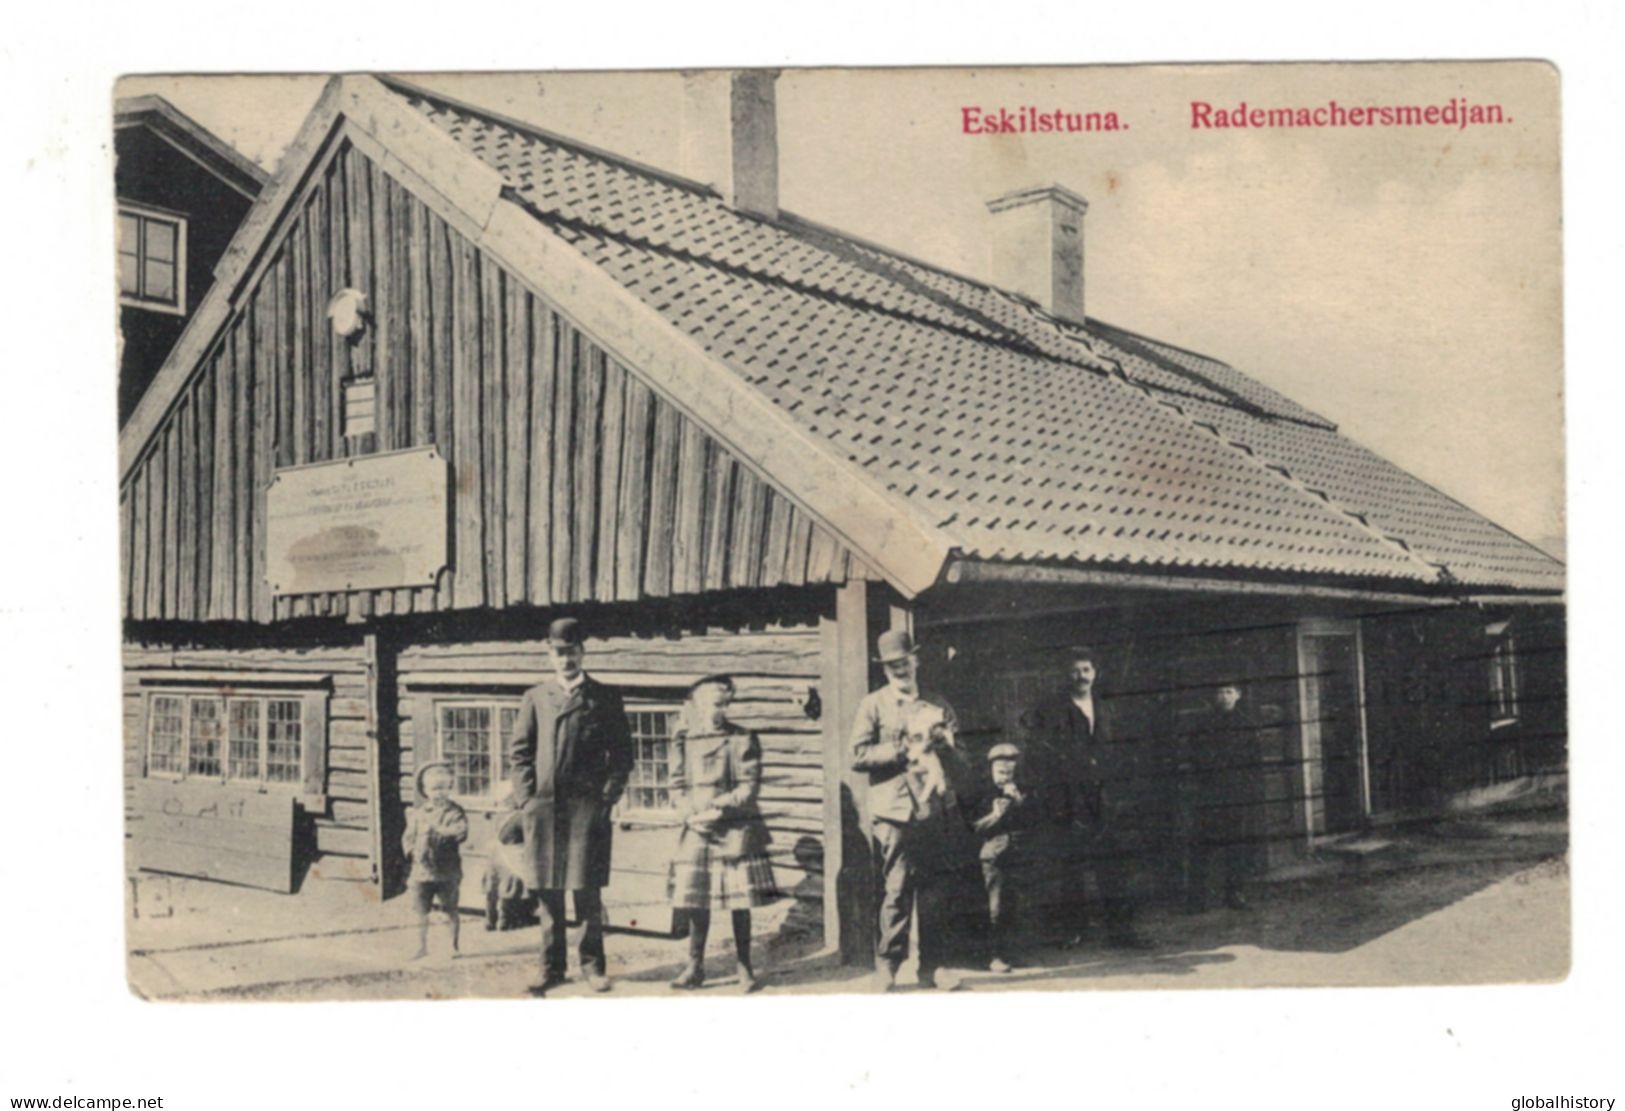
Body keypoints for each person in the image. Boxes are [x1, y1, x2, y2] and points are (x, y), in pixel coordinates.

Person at [510, 616, 635, 995]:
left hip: (587, 812)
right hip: (544, 812)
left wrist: (606, 798)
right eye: (558, 653)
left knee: (587, 894)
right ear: (549, 655)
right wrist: (527, 800)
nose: (565, 660)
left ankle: (593, 968)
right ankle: (550, 968)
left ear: (583, 653)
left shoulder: (605, 697)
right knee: (548, 896)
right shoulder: (535, 697)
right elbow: (519, 754)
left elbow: (623, 756)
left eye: (572, 652)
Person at [849, 629, 969, 991]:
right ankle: (888, 965)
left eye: (904, 661)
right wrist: (901, 750)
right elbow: (857, 754)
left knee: (934, 890)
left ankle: (933, 966)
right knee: (897, 888)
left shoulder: (937, 704)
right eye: (891, 665)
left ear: (915, 660)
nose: (900, 669)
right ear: (884, 669)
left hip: (933, 807)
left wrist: (943, 747)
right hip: (894, 810)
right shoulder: (873, 704)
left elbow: (963, 759)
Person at [1023, 646, 1155, 950]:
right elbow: (1038, 755)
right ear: (1065, 675)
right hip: (1069, 799)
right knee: (1072, 867)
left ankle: (1120, 930)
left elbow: (1119, 751)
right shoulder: (1052, 710)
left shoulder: (1106, 707)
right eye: (1074, 671)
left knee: (1113, 866)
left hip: (1103, 799)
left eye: (1086, 670)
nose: (1081, 676)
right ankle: (1074, 929)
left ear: (1095, 673)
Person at [666, 675, 778, 993]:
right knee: (696, 900)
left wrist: (720, 807)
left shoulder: (742, 739)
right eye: (715, 703)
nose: (721, 709)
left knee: (738, 902)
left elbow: (748, 786)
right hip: (697, 829)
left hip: (734, 829)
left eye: (725, 703)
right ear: (698, 703)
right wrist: (689, 813)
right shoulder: (684, 739)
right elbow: (675, 784)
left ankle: (745, 968)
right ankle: (695, 966)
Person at [1179, 680, 1265, 912]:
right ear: (1214, 696)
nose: (1224, 696)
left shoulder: (1247, 725)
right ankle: (1197, 899)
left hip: (1236, 794)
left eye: (1229, 691)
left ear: (1238, 695)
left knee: (1236, 847)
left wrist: (1249, 792)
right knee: (1202, 846)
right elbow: (1194, 758)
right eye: (1220, 692)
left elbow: (1254, 763)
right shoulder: (1203, 725)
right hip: (1209, 794)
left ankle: (1234, 894)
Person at [970, 743, 1040, 973]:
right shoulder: (981, 792)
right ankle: (994, 956)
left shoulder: (1023, 789)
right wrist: (995, 814)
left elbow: (1036, 819)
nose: (1005, 776)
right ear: (991, 768)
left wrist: (1019, 801)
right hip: (994, 856)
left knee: (1017, 905)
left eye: (1009, 772)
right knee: (995, 908)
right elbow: (974, 828)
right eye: (1001, 771)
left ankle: (1013, 953)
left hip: (1020, 853)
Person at [402, 762, 470, 960]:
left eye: (444, 788)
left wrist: (440, 831)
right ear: (425, 790)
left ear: (450, 788)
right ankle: (420, 946)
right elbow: (408, 836)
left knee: (450, 910)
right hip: (421, 871)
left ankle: (453, 946)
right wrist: (411, 851)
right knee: (420, 912)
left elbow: (461, 832)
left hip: (447, 870)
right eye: (434, 789)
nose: (439, 793)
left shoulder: (455, 812)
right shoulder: (419, 813)